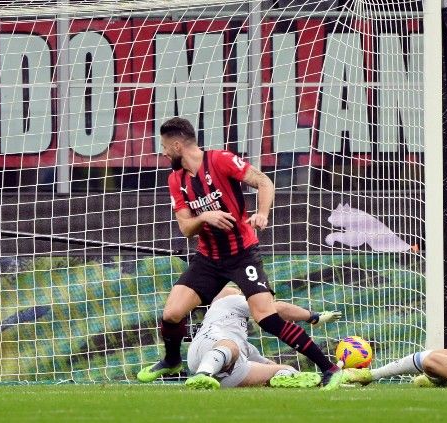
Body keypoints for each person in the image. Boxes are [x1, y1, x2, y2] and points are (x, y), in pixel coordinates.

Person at [137, 117, 344, 390]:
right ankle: (172, 360)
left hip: (242, 254)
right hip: (208, 259)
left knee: (267, 318)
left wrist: (262, 213)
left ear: (177, 145)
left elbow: (264, 181)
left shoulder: (220, 160)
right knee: (172, 314)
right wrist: (206, 217)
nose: (163, 152)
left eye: (164, 146)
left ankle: (329, 368)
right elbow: (187, 228)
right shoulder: (176, 180)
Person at [182, 286, 341, 389]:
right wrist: (313, 316)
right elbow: (278, 308)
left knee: (284, 369)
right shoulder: (231, 300)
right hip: (214, 348)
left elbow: (263, 362)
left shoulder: (235, 330)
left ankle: (284, 376)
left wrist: (281, 369)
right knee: (231, 347)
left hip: (210, 365)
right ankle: (202, 375)